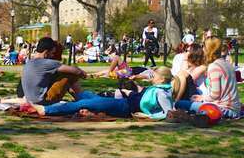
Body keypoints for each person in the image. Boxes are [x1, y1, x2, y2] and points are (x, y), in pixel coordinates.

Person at [28, 67, 176, 119]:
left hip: (126, 108)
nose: (152, 77)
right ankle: (76, 94)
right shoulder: (158, 89)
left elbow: (168, 113)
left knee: (85, 102)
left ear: (162, 78)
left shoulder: (163, 93)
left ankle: (47, 110)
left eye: (155, 75)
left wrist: (148, 115)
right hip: (125, 101)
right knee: (88, 96)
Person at [175, 37, 240, 119]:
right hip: (233, 108)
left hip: (223, 109)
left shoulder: (214, 67)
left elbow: (215, 95)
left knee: (180, 104)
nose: (202, 49)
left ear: (208, 49)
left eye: (203, 46)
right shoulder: (226, 63)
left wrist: (201, 98)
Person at [21, 37, 86, 104]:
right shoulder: (46, 63)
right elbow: (76, 71)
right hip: (43, 101)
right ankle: (83, 99)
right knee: (70, 75)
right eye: (52, 53)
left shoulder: (29, 63)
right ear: (46, 52)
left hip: (29, 99)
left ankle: (80, 97)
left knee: (60, 75)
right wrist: (82, 73)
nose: (52, 56)